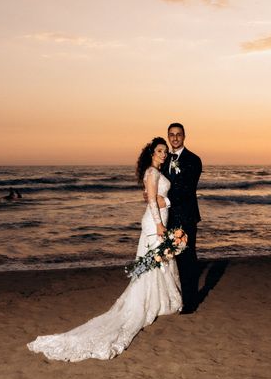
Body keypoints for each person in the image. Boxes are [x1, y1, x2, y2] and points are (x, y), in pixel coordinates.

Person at [26, 137, 181, 361]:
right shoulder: (152, 173)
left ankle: (160, 301)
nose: (163, 154)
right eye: (159, 150)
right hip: (154, 222)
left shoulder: (156, 172)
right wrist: (159, 222)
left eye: (165, 151)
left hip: (158, 220)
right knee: (153, 261)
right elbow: (151, 202)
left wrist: (164, 203)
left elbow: (154, 197)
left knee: (156, 261)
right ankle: (152, 303)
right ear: (151, 153)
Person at [162, 122, 203, 313]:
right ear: (168, 137)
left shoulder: (194, 160)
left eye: (178, 134)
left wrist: (165, 201)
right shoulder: (164, 159)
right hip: (168, 218)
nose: (175, 138)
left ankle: (191, 302)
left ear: (184, 136)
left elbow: (187, 189)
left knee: (188, 258)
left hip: (186, 217)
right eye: (171, 135)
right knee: (172, 259)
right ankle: (175, 298)